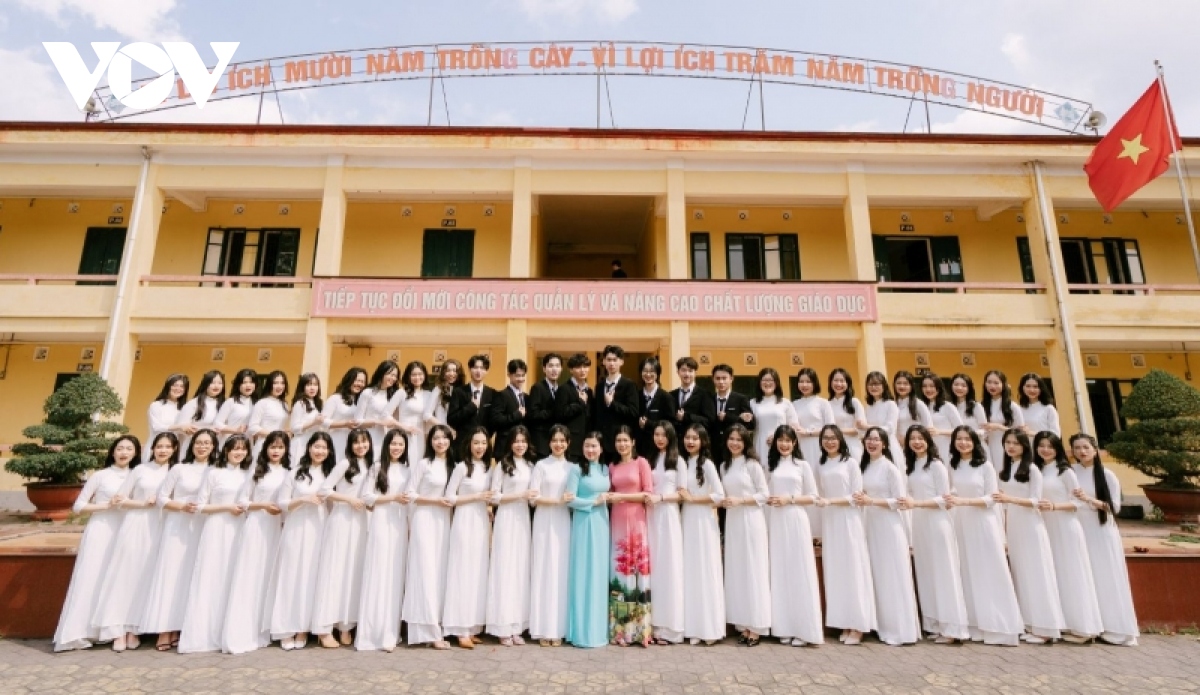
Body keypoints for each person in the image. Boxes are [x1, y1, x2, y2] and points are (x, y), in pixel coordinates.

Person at [53, 435, 141, 652]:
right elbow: (78, 506)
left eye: (129, 448)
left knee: (122, 580)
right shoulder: (101, 476)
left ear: (136, 453)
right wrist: (107, 506)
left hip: (127, 531)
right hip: (101, 530)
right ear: (112, 452)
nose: (124, 452)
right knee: (93, 576)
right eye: (120, 448)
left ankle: (121, 629)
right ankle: (86, 630)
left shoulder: (138, 475)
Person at [90, 432, 176, 652]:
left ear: (174, 449)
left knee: (145, 578)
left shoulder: (174, 471)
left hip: (160, 527)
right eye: (159, 446)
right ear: (152, 448)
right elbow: (119, 500)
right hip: (136, 525)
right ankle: (117, 629)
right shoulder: (140, 470)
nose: (163, 450)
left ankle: (134, 629)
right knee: (125, 575)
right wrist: (144, 503)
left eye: (168, 447)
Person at [947, 426, 1025, 646]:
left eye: (967, 439)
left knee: (990, 570)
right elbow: (953, 490)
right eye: (959, 439)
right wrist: (952, 498)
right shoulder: (953, 465)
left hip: (983, 522)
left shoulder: (985, 466)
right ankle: (976, 625)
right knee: (968, 572)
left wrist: (963, 501)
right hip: (962, 522)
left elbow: (992, 498)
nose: (963, 443)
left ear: (975, 442)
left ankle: (1001, 627)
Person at [139, 429, 216, 651]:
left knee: (192, 576)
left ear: (214, 447)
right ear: (192, 445)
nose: (202, 447)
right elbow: (162, 498)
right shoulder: (179, 468)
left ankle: (183, 627)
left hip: (201, 526)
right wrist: (182, 506)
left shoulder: (215, 470)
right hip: (177, 526)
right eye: (198, 442)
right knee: (171, 574)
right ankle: (164, 628)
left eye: (207, 443)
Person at [177, 434, 253, 653]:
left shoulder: (248, 475)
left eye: (243, 449)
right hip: (216, 528)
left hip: (239, 529)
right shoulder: (214, 473)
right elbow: (200, 506)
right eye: (235, 448)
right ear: (226, 450)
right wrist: (227, 507)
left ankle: (229, 630)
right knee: (211, 576)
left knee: (233, 577)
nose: (239, 452)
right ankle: (203, 634)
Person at [221, 431, 289, 655]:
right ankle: (243, 630)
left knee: (270, 576)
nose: (276, 451)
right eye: (272, 446)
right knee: (250, 574)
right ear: (265, 448)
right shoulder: (257, 471)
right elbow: (242, 501)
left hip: (277, 527)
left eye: (280, 447)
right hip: (257, 525)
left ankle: (265, 628)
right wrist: (263, 506)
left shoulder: (289, 473)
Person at [996, 428, 1066, 643]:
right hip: (1014, 526)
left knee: (1038, 574)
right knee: (1022, 574)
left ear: (1025, 446)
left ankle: (1047, 628)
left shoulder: (1033, 469)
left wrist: (1010, 499)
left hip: (1030, 525)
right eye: (1008, 442)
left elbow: (1036, 500)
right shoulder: (1006, 469)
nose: (1011, 446)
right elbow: (1003, 505)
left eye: (1016, 443)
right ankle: (1031, 623)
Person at [268, 432, 336, 651]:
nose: (320, 451)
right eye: (316, 446)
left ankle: (303, 628)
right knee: (290, 575)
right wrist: (303, 499)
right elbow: (282, 503)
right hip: (296, 528)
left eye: (324, 448)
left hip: (319, 529)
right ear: (309, 448)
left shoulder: (331, 475)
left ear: (329, 451)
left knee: (311, 577)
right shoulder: (295, 473)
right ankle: (286, 627)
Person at [1033, 432, 1103, 644]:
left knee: (1073, 573)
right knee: (1056, 575)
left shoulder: (1065, 471)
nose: (1046, 450)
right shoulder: (1037, 469)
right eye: (1041, 445)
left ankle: (1085, 628)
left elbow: (1078, 502)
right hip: (1047, 526)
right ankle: (1064, 623)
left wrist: (1055, 506)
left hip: (1065, 525)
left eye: (1050, 446)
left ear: (1058, 449)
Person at [1070, 433, 1139, 646]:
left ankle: (1116, 629)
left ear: (1095, 449)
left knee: (1106, 576)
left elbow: (1114, 507)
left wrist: (1089, 499)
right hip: (1080, 529)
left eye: (1085, 447)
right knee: (1086, 576)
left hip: (1101, 530)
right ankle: (1091, 624)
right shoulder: (1072, 472)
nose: (1082, 451)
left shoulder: (1107, 475)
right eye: (1077, 448)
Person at [902, 425, 969, 644]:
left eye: (920, 438)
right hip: (920, 522)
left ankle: (952, 628)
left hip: (937, 522)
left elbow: (945, 500)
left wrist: (916, 503)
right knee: (927, 571)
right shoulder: (912, 466)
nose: (916, 442)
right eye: (912, 438)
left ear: (928, 441)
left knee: (944, 571)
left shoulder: (936, 465)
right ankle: (935, 624)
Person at [856, 427, 921, 646]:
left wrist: (872, 501)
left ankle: (899, 629)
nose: (872, 442)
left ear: (884, 444)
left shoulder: (890, 468)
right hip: (871, 524)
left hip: (889, 525)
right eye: (869, 439)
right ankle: (882, 624)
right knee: (878, 574)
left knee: (893, 574)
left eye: (876, 439)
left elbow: (900, 501)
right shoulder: (864, 466)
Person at [814, 425, 875, 646]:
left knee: (853, 569)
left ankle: (858, 625)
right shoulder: (821, 464)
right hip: (830, 521)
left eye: (833, 438)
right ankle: (844, 622)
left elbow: (856, 496)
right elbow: (819, 494)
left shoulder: (850, 463)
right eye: (825, 438)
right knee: (836, 571)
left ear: (840, 440)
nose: (829, 441)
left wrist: (831, 501)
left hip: (849, 520)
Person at [764, 425, 824, 647]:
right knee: (781, 571)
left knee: (800, 570)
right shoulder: (771, 466)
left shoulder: (802, 465)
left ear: (795, 443)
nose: (784, 444)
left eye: (788, 440)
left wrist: (789, 499)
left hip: (796, 519)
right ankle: (784, 627)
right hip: (777, 521)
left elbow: (813, 496)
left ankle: (804, 630)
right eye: (781, 440)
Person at [310, 429, 370, 648]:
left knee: (352, 571)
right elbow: (324, 490)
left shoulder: (371, 465)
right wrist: (349, 499)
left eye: (364, 442)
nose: (361, 446)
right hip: (342, 519)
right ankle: (324, 627)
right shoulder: (345, 464)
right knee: (335, 570)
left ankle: (346, 625)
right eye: (356, 443)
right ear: (350, 445)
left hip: (360, 521)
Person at [355, 429, 412, 653]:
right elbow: (367, 497)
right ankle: (372, 633)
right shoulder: (377, 467)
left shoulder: (408, 469)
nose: (397, 448)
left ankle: (390, 631)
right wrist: (392, 498)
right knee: (378, 572)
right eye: (393, 444)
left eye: (401, 444)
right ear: (386, 445)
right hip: (380, 521)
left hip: (399, 524)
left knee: (394, 575)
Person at [402, 425, 456, 649]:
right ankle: (427, 631)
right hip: (424, 519)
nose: (440, 442)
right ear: (430, 442)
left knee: (439, 572)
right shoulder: (424, 464)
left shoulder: (454, 466)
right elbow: (409, 493)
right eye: (436, 438)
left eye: (444, 438)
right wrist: (435, 500)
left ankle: (437, 624)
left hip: (443, 522)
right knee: (424, 571)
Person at [443, 427, 494, 649]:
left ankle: (472, 626)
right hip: (464, 521)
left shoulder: (488, 468)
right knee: (462, 571)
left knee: (477, 572)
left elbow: (490, 496)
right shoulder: (462, 467)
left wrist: (488, 506)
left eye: (483, 443)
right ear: (469, 445)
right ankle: (459, 628)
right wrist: (476, 496)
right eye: (476, 443)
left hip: (481, 522)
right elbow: (449, 497)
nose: (480, 447)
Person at [721, 424, 771, 647]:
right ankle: (743, 623)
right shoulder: (724, 466)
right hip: (733, 522)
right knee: (738, 570)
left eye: (739, 440)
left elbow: (764, 494)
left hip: (751, 519)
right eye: (731, 439)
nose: (734, 443)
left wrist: (740, 500)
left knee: (754, 569)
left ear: (746, 443)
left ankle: (757, 625)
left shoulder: (752, 465)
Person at [485, 426, 535, 646]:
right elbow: (494, 496)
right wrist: (519, 495)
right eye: (516, 441)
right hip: (506, 518)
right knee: (504, 568)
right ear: (510, 444)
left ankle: (517, 626)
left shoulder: (531, 466)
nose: (520, 445)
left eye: (523, 441)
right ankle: (502, 626)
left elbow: (533, 496)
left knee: (520, 569)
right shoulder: (502, 466)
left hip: (523, 519)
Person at [678, 424, 726, 645]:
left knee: (706, 570)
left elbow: (719, 495)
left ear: (703, 441)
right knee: (691, 571)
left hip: (704, 520)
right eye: (687, 437)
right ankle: (693, 628)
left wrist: (693, 499)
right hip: (687, 519)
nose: (690, 441)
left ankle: (710, 629)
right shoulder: (682, 462)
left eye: (695, 438)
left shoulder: (707, 464)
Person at [528, 425, 575, 646]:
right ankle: (542, 629)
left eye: (562, 440)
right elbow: (532, 498)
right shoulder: (541, 465)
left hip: (563, 522)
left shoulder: (573, 468)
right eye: (555, 440)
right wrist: (556, 501)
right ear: (549, 443)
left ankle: (558, 629)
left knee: (560, 571)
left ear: (568, 443)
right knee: (543, 569)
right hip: (544, 521)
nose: (558, 444)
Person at [607, 426, 654, 647]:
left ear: (633, 442)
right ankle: (621, 632)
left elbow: (648, 493)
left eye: (625, 440)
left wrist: (622, 497)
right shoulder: (612, 466)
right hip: (617, 521)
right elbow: (608, 493)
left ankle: (641, 631)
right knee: (619, 574)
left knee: (638, 573)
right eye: (618, 440)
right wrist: (614, 497)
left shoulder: (641, 463)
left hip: (637, 522)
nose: (622, 444)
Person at [565, 433, 611, 648]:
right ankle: (582, 633)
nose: (590, 450)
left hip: (602, 524)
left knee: (600, 574)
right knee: (584, 573)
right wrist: (593, 502)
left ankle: (599, 631)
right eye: (587, 446)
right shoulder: (576, 469)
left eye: (594, 446)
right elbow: (569, 499)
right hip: (584, 523)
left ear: (601, 448)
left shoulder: (605, 469)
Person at [646, 422, 685, 645]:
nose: (659, 438)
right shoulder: (651, 459)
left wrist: (661, 498)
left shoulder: (678, 460)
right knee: (655, 567)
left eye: (664, 435)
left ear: (671, 437)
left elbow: (682, 494)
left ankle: (672, 628)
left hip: (668, 515)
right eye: (656, 434)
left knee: (669, 567)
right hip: (651, 515)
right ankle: (655, 625)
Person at [593, 345, 639, 462]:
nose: (611, 363)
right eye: (609, 360)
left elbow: (633, 412)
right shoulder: (599, 386)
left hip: (620, 442)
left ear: (621, 362)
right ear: (603, 361)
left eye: (615, 360)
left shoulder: (629, 385)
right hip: (601, 443)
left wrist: (612, 403)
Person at [749, 367, 798, 460]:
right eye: (764, 380)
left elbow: (794, 426)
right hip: (760, 445)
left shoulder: (785, 403)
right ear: (759, 382)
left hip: (782, 446)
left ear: (777, 383)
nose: (767, 383)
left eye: (771, 380)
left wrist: (778, 436)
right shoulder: (752, 403)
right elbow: (748, 428)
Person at [710, 364, 756, 463]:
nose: (721, 382)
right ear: (713, 379)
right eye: (718, 378)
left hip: (735, 449)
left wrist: (728, 417)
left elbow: (750, 424)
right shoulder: (709, 399)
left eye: (724, 378)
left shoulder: (741, 399)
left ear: (731, 379)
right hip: (713, 450)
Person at [390, 361, 433, 464]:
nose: (417, 377)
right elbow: (386, 415)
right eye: (413, 374)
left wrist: (428, 439)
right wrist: (404, 427)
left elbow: (428, 420)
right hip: (404, 435)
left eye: (420, 374)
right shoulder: (401, 393)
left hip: (421, 437)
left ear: (425, 375)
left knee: (420, 464)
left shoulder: (429, 395)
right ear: (408, 376)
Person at [981, 370, 1024, 469]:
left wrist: (999, 427)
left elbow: (1021, 433)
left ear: (1003, 385)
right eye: (989, 382)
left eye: (996, 383)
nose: (992, 386)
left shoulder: (1012, 406)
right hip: (988, 446)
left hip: (1007, 446)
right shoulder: (982, 405)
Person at [173, 370, 224, 454]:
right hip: (194, 447)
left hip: (214, 448)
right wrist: (208, 430)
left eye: (220, 383)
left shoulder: (224, 404)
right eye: (212, 382)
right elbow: (182, 427)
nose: (216, 386)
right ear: (205, 384)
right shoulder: (193, 403)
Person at [357, 360, 401, 453]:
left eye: (395, 376)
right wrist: (379, 422)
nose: (393, 378)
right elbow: (357, 421)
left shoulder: (394, 395)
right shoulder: (368, 392)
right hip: (369, 438)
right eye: (390, 374)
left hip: (388, 440)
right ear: (381, 373)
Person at [448, 354, 497, 436]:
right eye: (475, 367)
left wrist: (486, 435)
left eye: (482, 368)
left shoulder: (492, 393)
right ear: (470, 369)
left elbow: (494, 421)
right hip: (463, 440)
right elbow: (451, 420)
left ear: (486, 371)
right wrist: (470, 407)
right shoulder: (459, 392)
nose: (478, 371)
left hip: (483, 440)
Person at [323, 367, 366, 460]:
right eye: (357, 380)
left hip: (354, 445)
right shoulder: (335, 398)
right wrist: (345, 424)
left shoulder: (361, 402)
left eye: (362, 382)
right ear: (349, 379)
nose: (359, 384)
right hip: (336, 441)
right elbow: (323, 421)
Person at [918, 373, 963, 461]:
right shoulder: (921, 406)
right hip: (927, 450)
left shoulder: (947, 406)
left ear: (938, 388)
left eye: (932, 386)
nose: (928, 389)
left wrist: (939, 432)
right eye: (925, 386)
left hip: (946, 449)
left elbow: (961, 429)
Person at [556, 353, 593, 460]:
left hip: (587, 443)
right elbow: (560, 414)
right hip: (571, 443)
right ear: (571, 370)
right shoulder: (564, 389)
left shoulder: (589, 391)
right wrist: (580, 403)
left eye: (585, 367)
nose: (582, 370)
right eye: (578, 367)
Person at [527, 354, 563, 460]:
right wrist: (554, 411)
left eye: (557, 366)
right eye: (551, 366)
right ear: (544, 368)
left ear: (561, 369)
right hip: (541, 442)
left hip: (556, 442)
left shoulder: (561, 390)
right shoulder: (537, 388)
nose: (554, 369)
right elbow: (533, 414)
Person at [828, 368, 868, 462]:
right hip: (832, 447)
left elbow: (860, 429)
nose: (839, 384)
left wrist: (836, 431)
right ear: (831, 383)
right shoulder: (827, 404)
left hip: (852, 446)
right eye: (836, 380)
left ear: (848, 384)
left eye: (842, 381)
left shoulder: (854, 402)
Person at [491, 359, 529, 457]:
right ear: (509, 375)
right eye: (517, 375)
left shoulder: (526, 397)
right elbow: (496, 420)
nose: (520, 379)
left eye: (523, 375)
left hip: (522, 448)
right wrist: (517, 415)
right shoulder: (501, 395)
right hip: (505, 447)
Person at [636, 357, 673, 457]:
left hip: (659, 448)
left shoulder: (666, 397)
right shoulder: (636, 395)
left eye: (652, 371)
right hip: (639, 449)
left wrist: (648, 424)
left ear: (657, 374)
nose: (648, 374)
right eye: (645, 371)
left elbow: (670, 424)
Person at [248, 371, 290, 459]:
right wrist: (274, 435)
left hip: (279, 446)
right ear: (269, 384)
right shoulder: (262, 403)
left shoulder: (284, 404)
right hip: (264, 444)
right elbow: (252, 427)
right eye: (275, 383)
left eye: (282, 383)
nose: (279, 386)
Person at [146, 373, 188, 461]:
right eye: (175, 385)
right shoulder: (157, 405)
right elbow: (156, 427)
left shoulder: (184, 408)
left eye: (182, 386)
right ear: (168, 386)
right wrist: (179, 427)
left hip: (174, 451)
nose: (178, 389)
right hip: (156, 448)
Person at [670, 356, 715, 435]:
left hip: (696, 438)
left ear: (695, 373)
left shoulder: (705, 395)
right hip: (676, 439)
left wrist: (686, 417)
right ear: (678, 372)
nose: (687, 374)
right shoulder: (671, 395)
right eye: (683, 370)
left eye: (690, 371)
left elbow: (709, 421)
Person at [288, 373, 325, 466]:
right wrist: (313, 422)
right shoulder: (300, 403)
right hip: (300, 444)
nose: (312, 388)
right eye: (309, 385)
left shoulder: (317, 404)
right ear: (303, 387)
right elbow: (294, 428)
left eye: (315, 384)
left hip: (312, 443)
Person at [215, 369, 257, 447]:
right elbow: (217, 424)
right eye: (244, 382)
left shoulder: (256, 403)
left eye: (251, 382)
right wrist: (236, 430)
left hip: (247, 445)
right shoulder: (231, 402)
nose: (248, 385)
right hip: (230, 443)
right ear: (238, 385)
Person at [893, 370, 933, 446]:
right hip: (896, 446)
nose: (902, 386)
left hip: (915, 446)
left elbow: (929, 427)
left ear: (911, 386)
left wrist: (911, 440)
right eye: (899, 383)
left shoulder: (918, 404)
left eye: (905, 383)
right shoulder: (893, 404)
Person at [424, 358, 462, 433]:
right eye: (448, 370)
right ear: (443, 373)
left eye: (454, 371)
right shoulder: (438, 389)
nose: (451, 373)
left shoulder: (462, 390)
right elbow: (427, 415)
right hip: (443, 433)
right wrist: (445, 428)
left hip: (459, 434)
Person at [950, 373, 987, 440]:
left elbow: (985, 430)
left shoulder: (976, 406)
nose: (959, 388)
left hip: (975, 443)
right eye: (956, 384)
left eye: (964, 385)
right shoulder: (949, 406)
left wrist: (969, 434)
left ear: (969, 388)